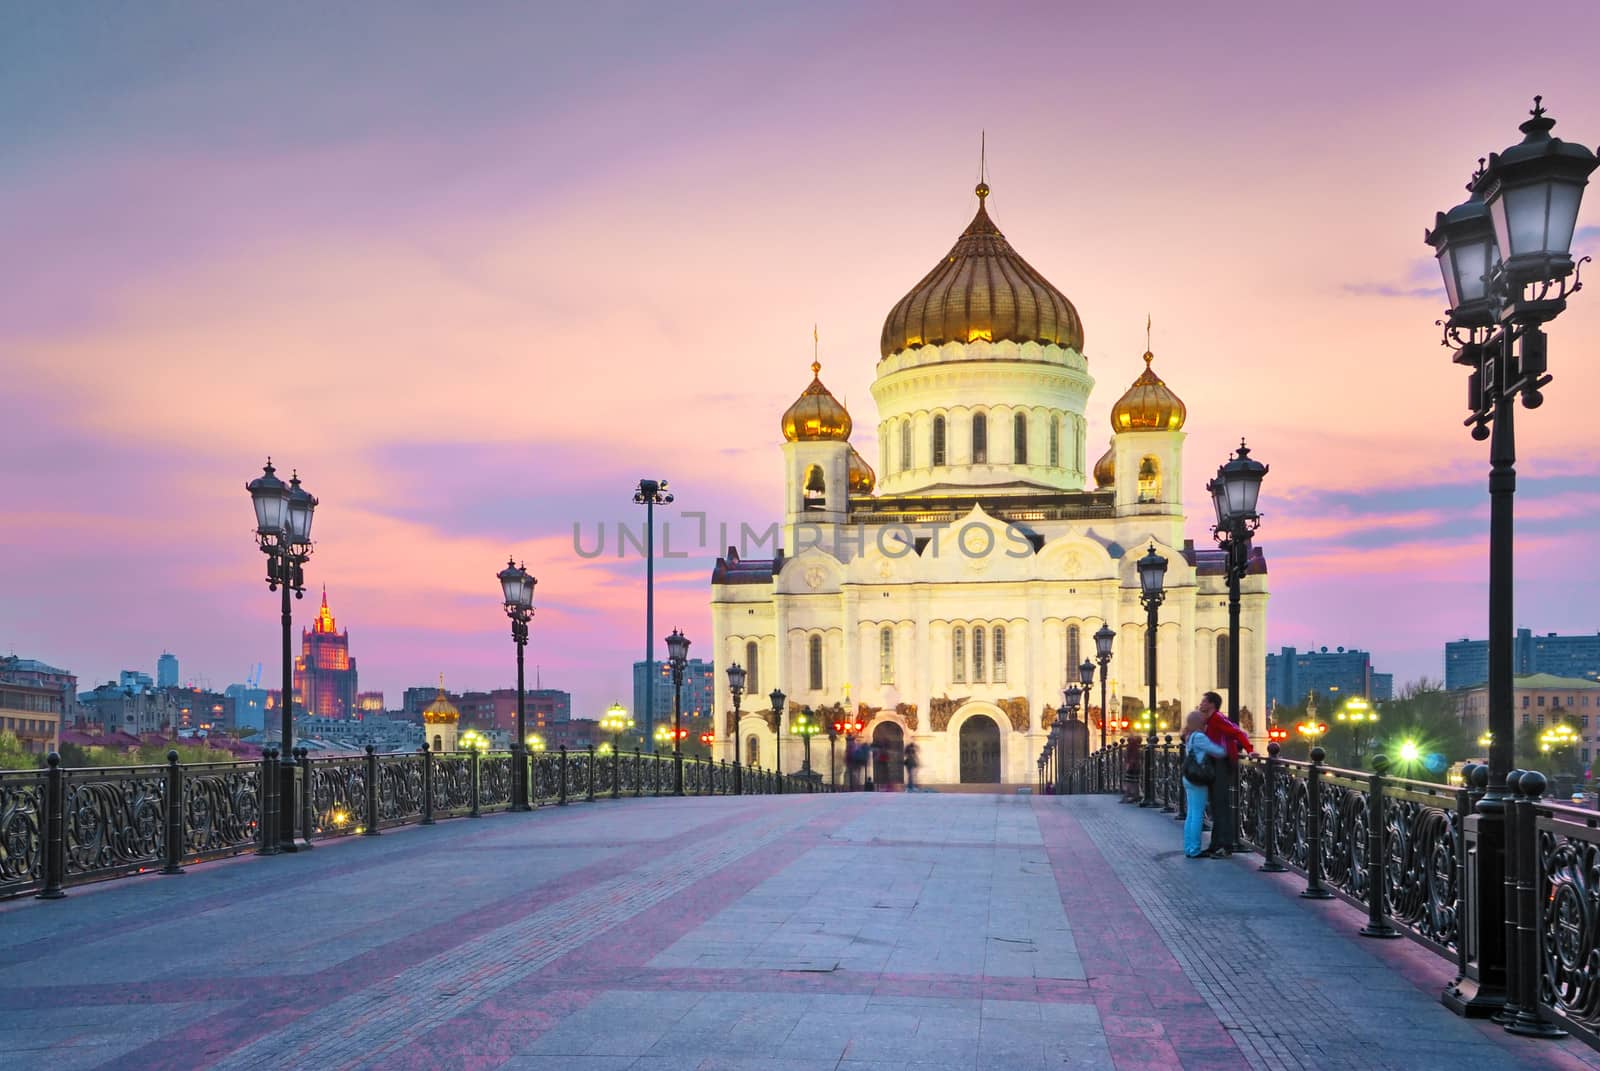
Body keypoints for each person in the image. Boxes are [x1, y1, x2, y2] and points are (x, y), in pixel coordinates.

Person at [1200, 690, 1253, 857]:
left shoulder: (1217, 718)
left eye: (1204, 701)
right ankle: (1215, 844)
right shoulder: (1209, 720)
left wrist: (1250, 750)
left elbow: (1238, 732)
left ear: (1211, 704)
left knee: (1221, 806)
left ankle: (1225, 845)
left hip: (1221, 765)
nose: (1201, 704)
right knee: (1216, 806)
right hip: (1214, 765)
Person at [1182, 709, 1227, 858]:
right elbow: (1218, 751)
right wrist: (1229, 746)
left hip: (1188, 777)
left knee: (1191, 814)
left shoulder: (1190, 736)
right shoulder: (1200, 736)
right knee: (1197, 815)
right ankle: (1194, 849)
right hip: (1197, 779)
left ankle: (1189, 848)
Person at [1120, 728, 1143, 803]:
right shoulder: (1136, 746)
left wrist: (1128, 764)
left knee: (1130, 781)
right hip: (1135, 766)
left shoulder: (1132, 746)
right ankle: (1134, 795)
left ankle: (1129, 795)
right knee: (1134, 781)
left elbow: (1131, 756)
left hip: (1132, 766)